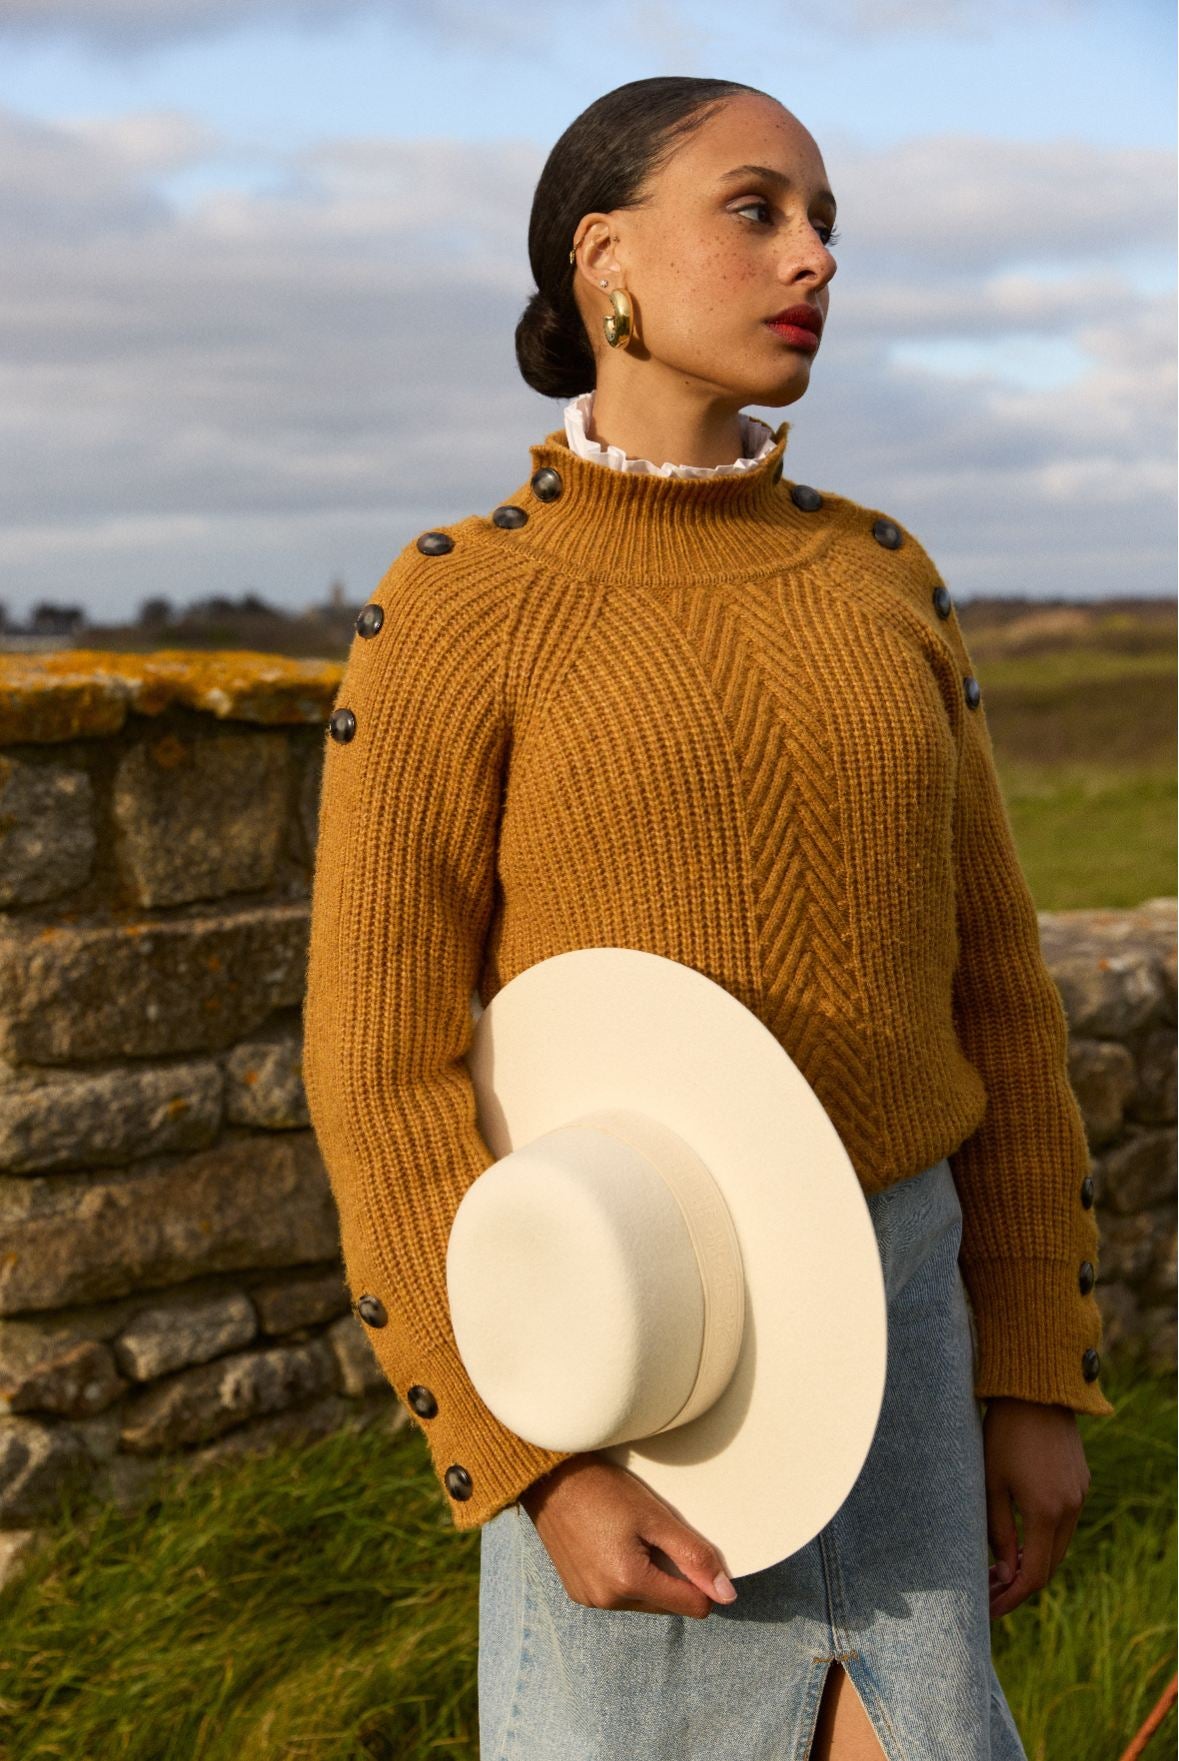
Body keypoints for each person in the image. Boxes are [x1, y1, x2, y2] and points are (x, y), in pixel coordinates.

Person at [302, 75, 1114, 1761]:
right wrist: (533, 1462)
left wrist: (1030, 1359)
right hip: (628, 1360)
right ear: (608, 259)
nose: (814, 255)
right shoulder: (456, 612)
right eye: (758, 210)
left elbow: (1001, 1007)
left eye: (826, 223)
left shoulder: (883, 579)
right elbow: (380, 1075)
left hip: (908, 1333)